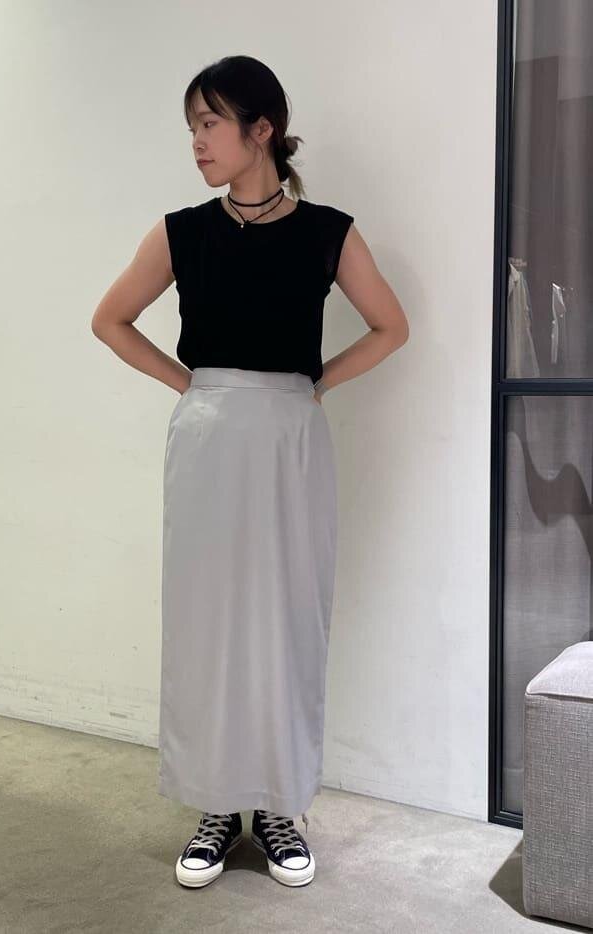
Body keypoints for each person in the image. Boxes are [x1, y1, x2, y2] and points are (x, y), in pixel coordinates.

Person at [92, 55, 409, 890]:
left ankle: (276, 804)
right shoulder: (181, 232)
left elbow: (390, 326)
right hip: (208, 438)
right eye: (191, 128)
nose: (196, 142)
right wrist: (192, 386)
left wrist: (314, 384)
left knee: (286, 617)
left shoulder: (327, 231)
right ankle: (213, 802)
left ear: (260, 129)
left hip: (289, 437)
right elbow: (110, 320)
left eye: (208, 124)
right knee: (206, 620)